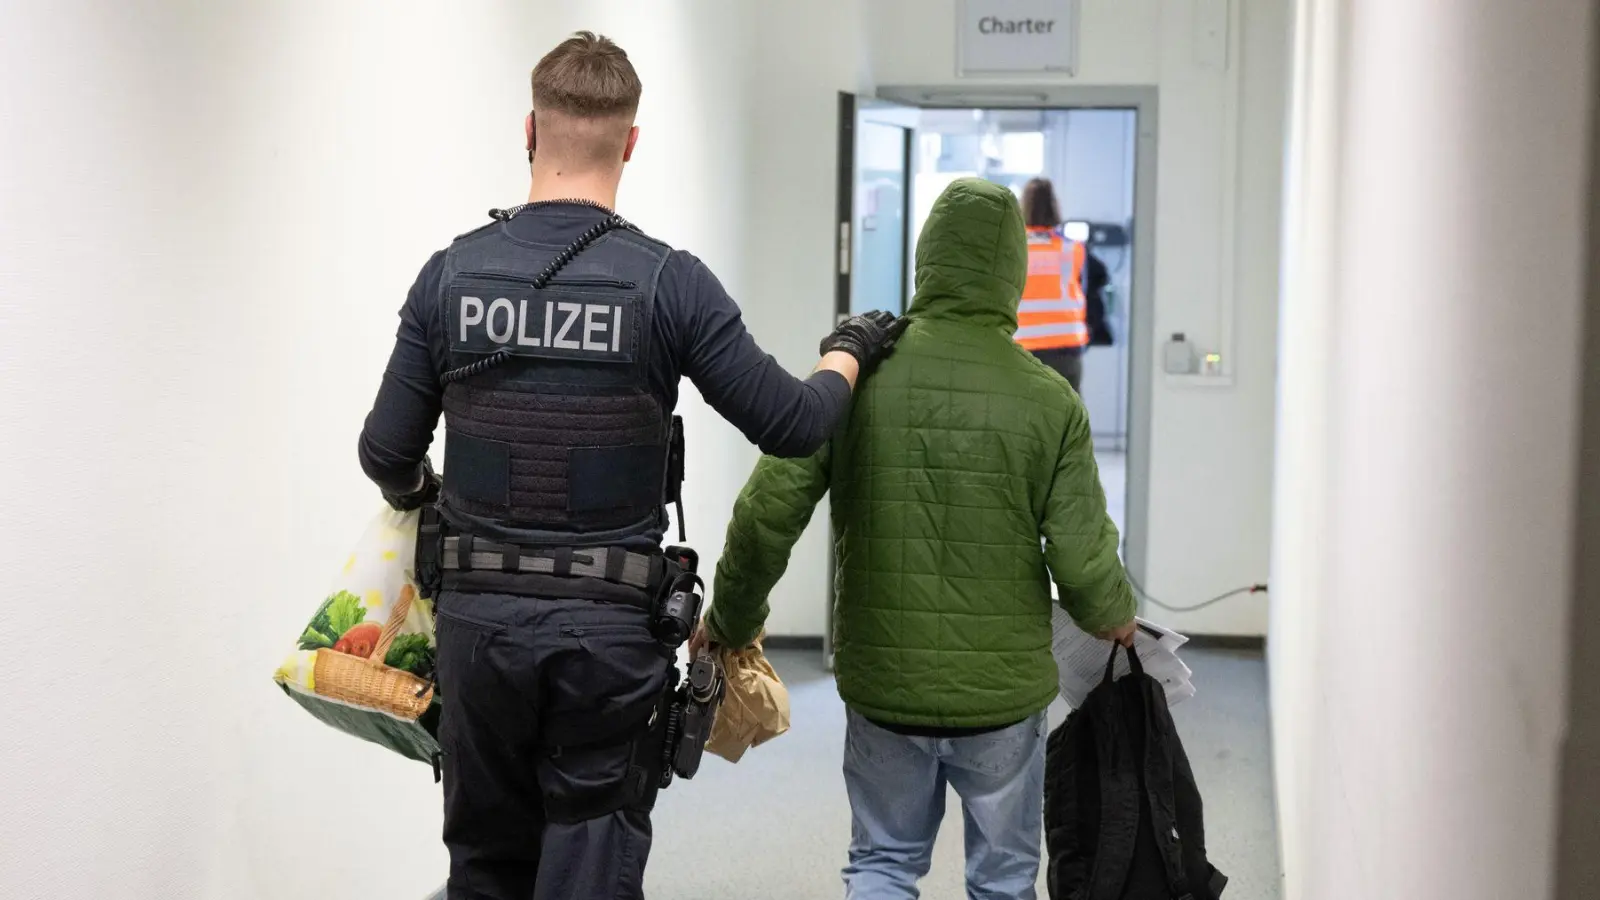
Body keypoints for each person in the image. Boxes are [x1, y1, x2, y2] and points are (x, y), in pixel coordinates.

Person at [357, 32, 905, 899]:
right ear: (631, 143)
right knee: (590, 863)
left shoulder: (449, 275)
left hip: (479, 634)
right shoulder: (668, 283)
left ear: (529, 132)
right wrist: (850, 349)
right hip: (606, 642)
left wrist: (426, 495)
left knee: (484, 866)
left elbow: (385, 453)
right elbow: (793, 423)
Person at [695, 178, 1137, 900]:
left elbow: (765, 515)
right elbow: (1084, 565)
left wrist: (731, 622)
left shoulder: (852, 381)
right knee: (1003, 880)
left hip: (883, 684)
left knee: (882, 864)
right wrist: (1117, 618)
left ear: (926, 260)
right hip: (1002, 698)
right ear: (1013, 272)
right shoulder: (1050, 401)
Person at [1017, 176, 1093, 392]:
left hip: (1023, 349)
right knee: (1067, 411)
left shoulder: (1010, 249)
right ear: (1054, 207)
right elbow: (1086, 293)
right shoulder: (1072, 249)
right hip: (1066, 348)